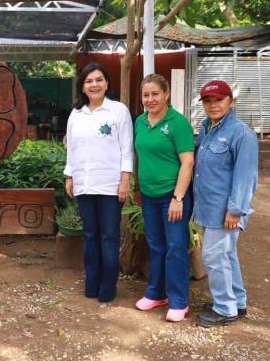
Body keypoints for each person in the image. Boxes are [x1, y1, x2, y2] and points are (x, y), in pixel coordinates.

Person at [63, 63, 133, 303]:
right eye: (89, 81)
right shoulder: (76, 113)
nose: (94, 84)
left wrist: (125, 181)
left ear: (107, 83)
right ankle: (91, 283)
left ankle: (108, 289)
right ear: (82, 86)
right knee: (91, 235)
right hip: (84, 184)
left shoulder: (118, 111)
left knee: (109, 236)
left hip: (110, 186)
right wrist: (70, 175)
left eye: (99, 80)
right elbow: (71, 148)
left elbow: (127, 149)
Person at [193, 80, 259, 327]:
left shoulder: (241, 133)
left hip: (226, 211)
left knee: (213, 257)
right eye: (208, 101)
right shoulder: (207, 128)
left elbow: (246, 176)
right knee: (226, 256)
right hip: (208, 207)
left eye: (219, 100)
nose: (213, 105)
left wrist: (236, 210)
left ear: (230, 101)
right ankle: (237, 303)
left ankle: (224, 309)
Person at [133, 74, 195, 322]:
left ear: (166, 94)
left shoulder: (177, 123)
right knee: (156, 246)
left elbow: (188, 162)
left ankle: (179, 300)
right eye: (146, 95)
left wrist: (178, 197)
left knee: (176, 248)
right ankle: (156, 293)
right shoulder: (140, 122)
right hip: (148, 196)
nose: (150, 99)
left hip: (173, 196)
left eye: (155, 94)